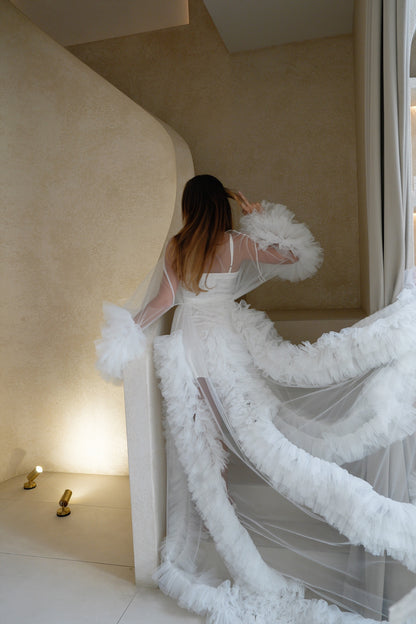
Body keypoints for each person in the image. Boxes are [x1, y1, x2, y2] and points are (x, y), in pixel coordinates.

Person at [97, 175, 416, 624]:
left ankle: (219, 519)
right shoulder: (233, 243)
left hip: (189, 351)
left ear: (190, 206)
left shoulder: (176, 245)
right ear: (220, 207)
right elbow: (292, 256)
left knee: (205, 442)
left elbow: (166, 300)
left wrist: (130, 328)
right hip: (223, 349)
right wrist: (258, 217)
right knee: (254, 436)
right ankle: (345, 514)